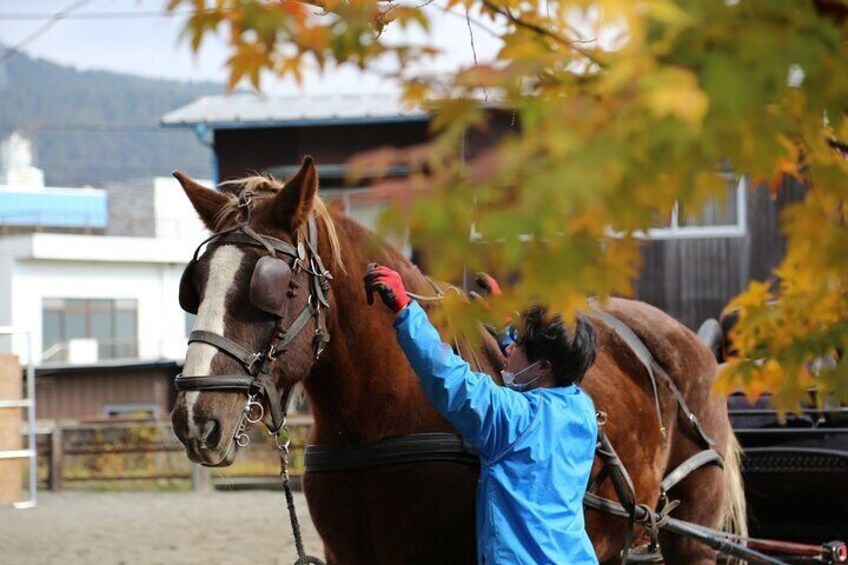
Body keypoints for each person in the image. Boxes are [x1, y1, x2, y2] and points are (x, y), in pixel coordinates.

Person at [363, 264, 600, 565]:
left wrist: (406, 311)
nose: (510, 348)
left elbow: (449, 378)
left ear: (543, 368)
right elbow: (532, 366)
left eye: (520, 345)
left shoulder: (513, 419)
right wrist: (506, 328)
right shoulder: (582, 407)